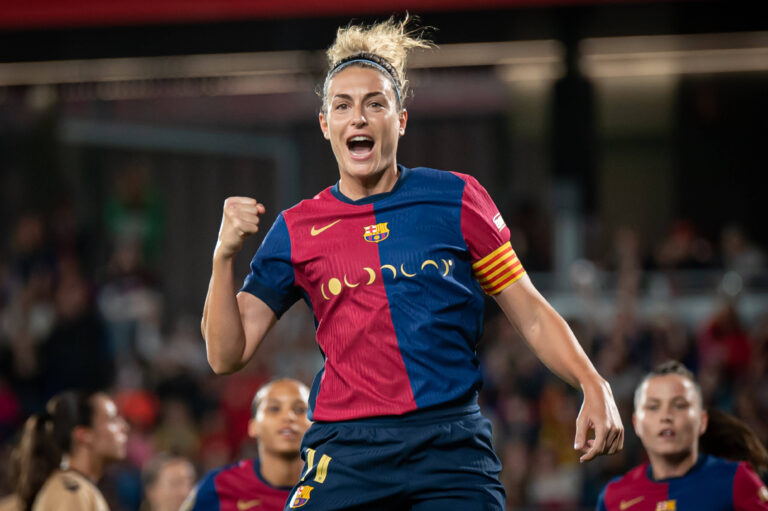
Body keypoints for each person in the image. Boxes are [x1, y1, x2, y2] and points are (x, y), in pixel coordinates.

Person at [201, 16, 623, 510]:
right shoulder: (297, 228)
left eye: (375, 103)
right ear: (325, 125)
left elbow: (529, 311)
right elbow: (225, 356)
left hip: (450, 450)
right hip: (347, 451)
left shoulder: (457, 199)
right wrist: (223, 256)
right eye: (343, 106)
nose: (358, 117)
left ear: (400, 119)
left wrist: (592, 381)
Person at [597, 361, 768, 511]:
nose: (666, 416)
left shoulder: (737, 480)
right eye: (653, 407)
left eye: (679, 405)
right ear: (636, 424)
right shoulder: (613, 497)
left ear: (702, 421)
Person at [181, 378, 311, 511]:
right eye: (274, 409)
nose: (288, 417)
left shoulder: (331, 488)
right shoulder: (218, 485)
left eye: (300, 409)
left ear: (315, 425)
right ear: (253, 427)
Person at [14, 390, 128, 511]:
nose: (124, 427)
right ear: (84, 435)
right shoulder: (71, 492)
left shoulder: (77, 488)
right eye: (112, 420)